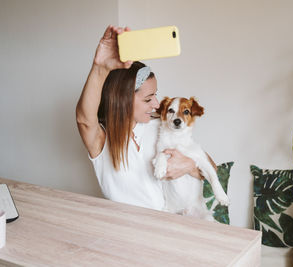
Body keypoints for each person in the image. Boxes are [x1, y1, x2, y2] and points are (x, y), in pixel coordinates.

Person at [76, 25, 204, 210]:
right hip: (125, 229)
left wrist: (190, 166)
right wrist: (100, 68)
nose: (157, 104)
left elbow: (212, 169)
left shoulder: (161, 126)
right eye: (148, 99)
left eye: (155, 95)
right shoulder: (102, 140)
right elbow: (84, 120)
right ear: (124, 101)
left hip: (166, 223)